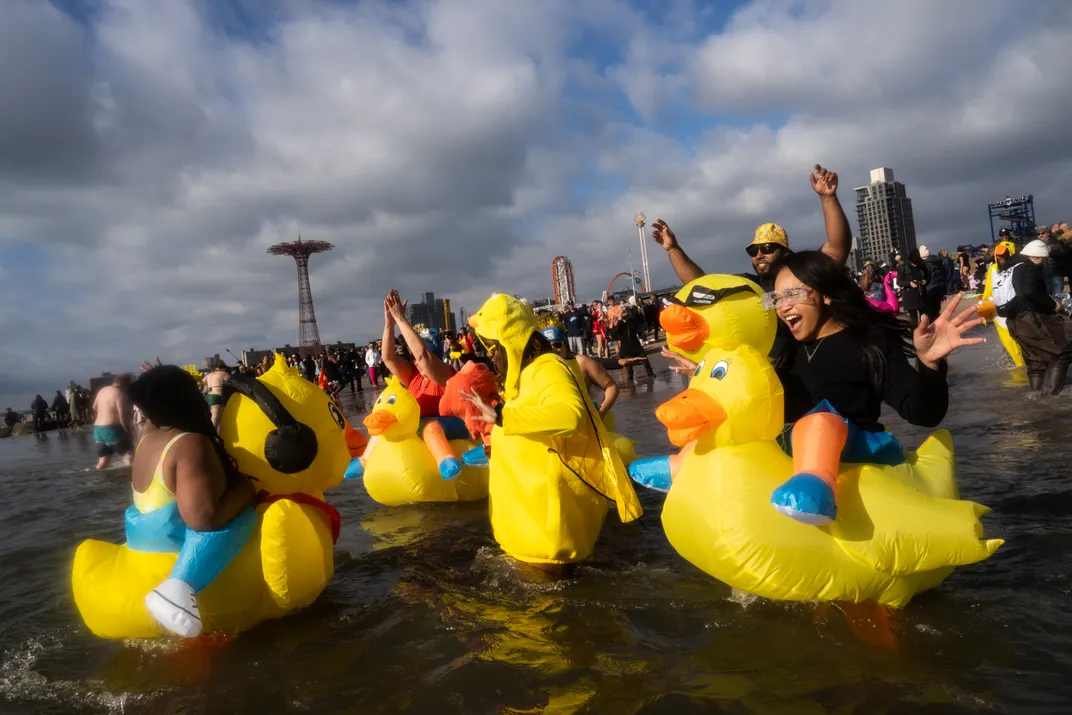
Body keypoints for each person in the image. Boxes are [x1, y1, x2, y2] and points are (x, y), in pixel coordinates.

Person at [665, 250, 982, 525]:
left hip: (855, 475)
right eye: (776, 298)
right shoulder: (783, 350)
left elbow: (923, 413)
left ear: (825, 293)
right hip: (791, 478)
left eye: (792, 295)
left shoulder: (868, 343)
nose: (782, 307)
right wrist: (712, 377)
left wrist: (930, 363)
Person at [461, 294, 642, 574]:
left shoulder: (548, 368)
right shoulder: (525, 373)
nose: (487, 353)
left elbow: (569, 415)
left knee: (551, 604)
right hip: (529, 515)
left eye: (489, 345)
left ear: (507, 342)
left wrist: (502, 416)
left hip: (547, 520)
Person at [651, 165, 851, 356]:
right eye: (753, 250)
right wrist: (673, 249)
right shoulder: (751, 287)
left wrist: (828, 198)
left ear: (785, 252)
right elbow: (701, 284)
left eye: (766, 248)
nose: (758, 255)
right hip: (776, 367)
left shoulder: (804, 274)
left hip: (816, 352)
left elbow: (835, 250)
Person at [127, 365, 257, 637]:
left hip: (143, 546)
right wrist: (247, 490)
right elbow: (203, 520)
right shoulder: (189, 445)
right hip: (176, 552)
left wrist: (157, 381)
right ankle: (181, 587)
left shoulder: (146, 439)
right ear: (186, 399)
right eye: (194, 390)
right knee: (246, 517)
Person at [381, 289, 470, 477]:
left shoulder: (445, 374)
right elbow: (388, 358)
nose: (414, 359)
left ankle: (447, 463)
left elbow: (423, 357)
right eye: (412, 356)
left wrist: (401, 319)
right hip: (426, 428)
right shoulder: (413, 375)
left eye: (415, 355)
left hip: (453, 426)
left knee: (429, 425)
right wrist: (389, 324)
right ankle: (364, 460)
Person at [992, 239, 1072, 394]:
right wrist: (1052, 305)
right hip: (1027, 319)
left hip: (1012, 320)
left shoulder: (1009, 268)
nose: (1043, 263)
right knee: (1060, 355)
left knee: (1036, 363)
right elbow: (1028, 292)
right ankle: (1050, 400)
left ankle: (1035, 400)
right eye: (1043, 259)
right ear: (1036, 256)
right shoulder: (1028, 267)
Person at [93, 375, 135, 469]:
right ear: (125, 385)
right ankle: (129, 473)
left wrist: (105, 412)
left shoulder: (102, 390)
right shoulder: (120, 394)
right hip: (112, 429)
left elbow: (94, 407)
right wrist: (129, 432)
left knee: (103, 460)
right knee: (130, 452)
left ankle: (100, 476)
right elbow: (122, 418)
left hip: (98, 430)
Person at [202, 361, 231, 429]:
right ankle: (211, 436)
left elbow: (202, 383)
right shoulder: (224, 374)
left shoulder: (209, 375)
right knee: (214, 421)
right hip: (217, 397)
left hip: (207, 397)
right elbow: (231, 383)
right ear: (223, 368)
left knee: (209, 419)